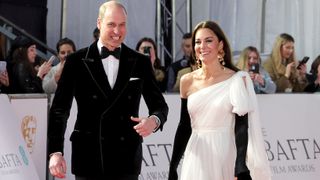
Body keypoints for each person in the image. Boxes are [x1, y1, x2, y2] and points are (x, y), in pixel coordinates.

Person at [47, 1, 168, 180]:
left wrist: (154, 121)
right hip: (88, 157)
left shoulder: (140, 61)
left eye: (122, 25)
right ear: (99, 23)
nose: (117, 32)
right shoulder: (76, 61)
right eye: (111, 24)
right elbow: (59, 110)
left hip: (126, 158)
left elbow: (159, 105)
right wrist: (55, 152)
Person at [168, 21, 271, 180]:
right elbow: (184, 126)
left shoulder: (237, 79)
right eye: (198, 42)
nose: (202, 46)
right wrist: (173, 166)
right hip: (197, 155)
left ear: (220, 45)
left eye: (208, 40)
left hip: (225, 153)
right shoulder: (186, 81)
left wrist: (240, 164)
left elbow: (241, 126)